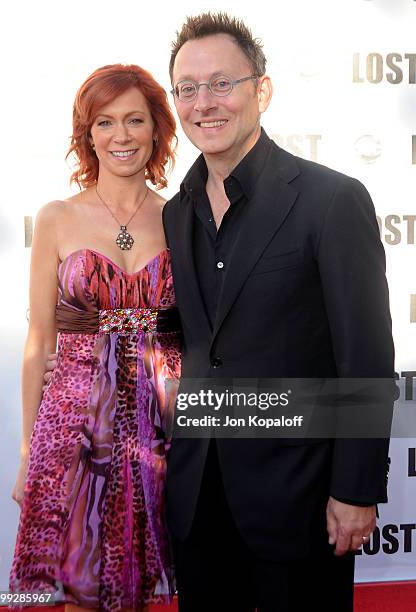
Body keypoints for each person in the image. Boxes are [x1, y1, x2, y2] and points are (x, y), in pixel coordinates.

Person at [161, 13, 395, 612]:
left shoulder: (331, 200)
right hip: (199, 500)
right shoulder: (176, 212)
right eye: (187, 88)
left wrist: (356, 489)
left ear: (261, 90)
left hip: (301, 500)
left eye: (222, 83)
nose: (203, 103)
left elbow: (366, 358)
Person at [10, 64, 181, 611]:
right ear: (87, 133)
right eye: (105, 122)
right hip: (74, 423)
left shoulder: (184, 216)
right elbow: (39, 342)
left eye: (135, 120)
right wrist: (24, 452)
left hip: (161, 422)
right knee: (81, 586)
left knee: (146, 578)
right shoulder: (57, 218)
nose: (121, 136)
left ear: (157, 128)